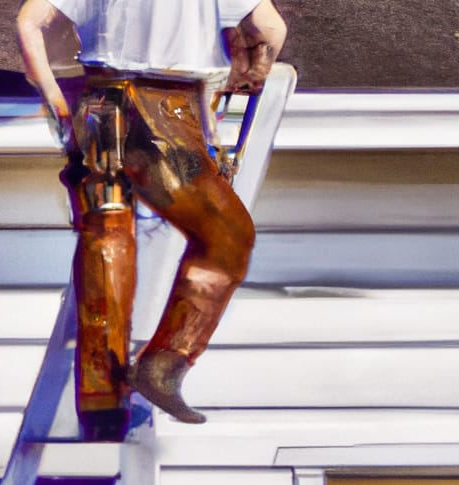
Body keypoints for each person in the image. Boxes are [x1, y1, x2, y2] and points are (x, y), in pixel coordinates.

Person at [17, 0, 287, 438]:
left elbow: (29, 23)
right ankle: (164, 364)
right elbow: (269, 29)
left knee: (106, 240)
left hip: (98, 105)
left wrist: (57, 104)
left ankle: (102, 406)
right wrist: (247, 77)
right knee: (228, 237)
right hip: (162, 113)